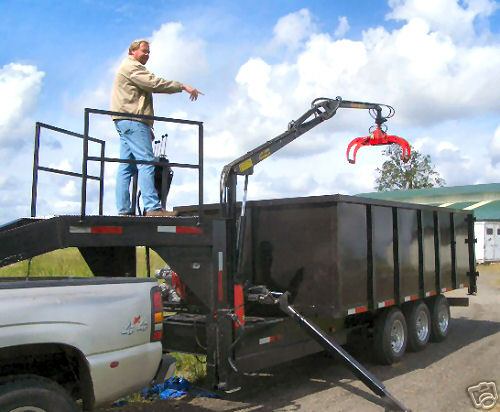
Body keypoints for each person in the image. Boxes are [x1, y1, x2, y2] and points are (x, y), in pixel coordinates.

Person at [111, 39, 202, 217]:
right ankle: (152, 208)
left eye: (149, 52)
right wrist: (181, 86)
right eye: (144, 51)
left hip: (127, 121)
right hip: (133, 119)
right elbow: (153, 83)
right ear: (132, 52)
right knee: (147, 163)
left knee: (126, 167)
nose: (147, 54)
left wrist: (147, 126)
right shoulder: (132, 67)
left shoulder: (128, 67)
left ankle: (124, 210)